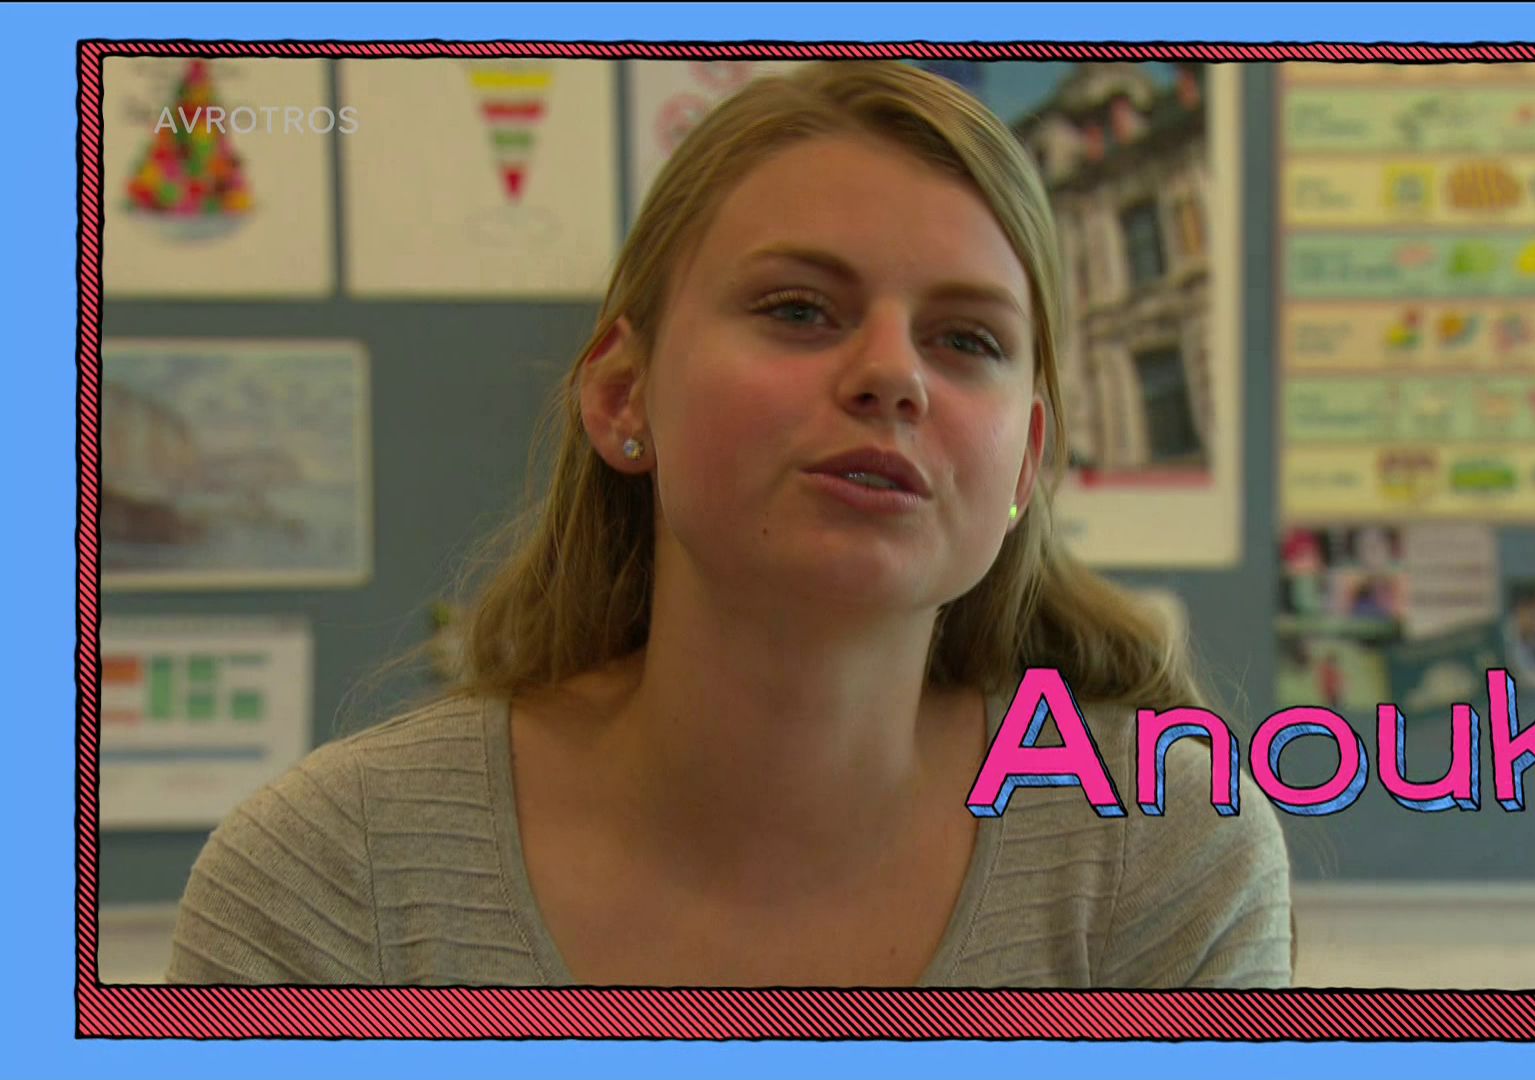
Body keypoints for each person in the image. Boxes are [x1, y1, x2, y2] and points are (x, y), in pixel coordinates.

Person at [164, 60, 1292, 989]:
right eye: (799, 309)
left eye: (967, 341)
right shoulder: (332, 880)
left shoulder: (1159, 855)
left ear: (1027, 462)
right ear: (622, 394)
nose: (893, 375)